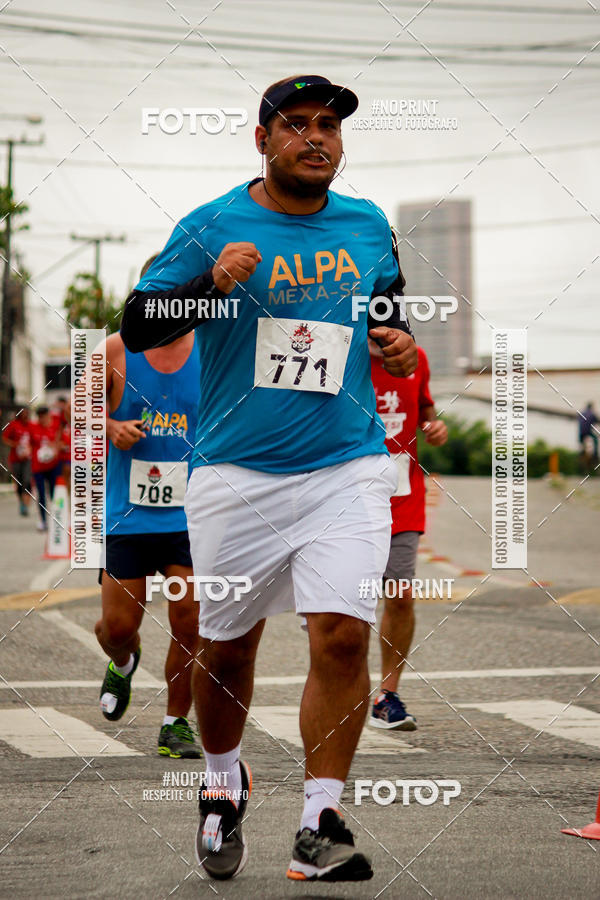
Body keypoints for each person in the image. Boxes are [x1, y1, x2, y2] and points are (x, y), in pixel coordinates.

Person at [120, 75, 417, 883]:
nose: (316, 137)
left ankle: (320, 822)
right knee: (227, 649)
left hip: (346, 466)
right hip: (235, 473)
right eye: (297, 124)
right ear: (262, 140)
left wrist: (397, 344)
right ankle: (222, 786)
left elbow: (387, 312)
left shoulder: (368, 225)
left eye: (330, 126)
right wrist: (209, 285)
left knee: (344, 634)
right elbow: (138, 324)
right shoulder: (210, 225)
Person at [94, 255, 202, 760]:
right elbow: (79, 412)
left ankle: (175, 722)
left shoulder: (211, 349)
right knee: (118, 629)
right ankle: (123, 662)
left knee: (190, 621)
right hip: (129, 514)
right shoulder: (114, 350)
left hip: (191, 514)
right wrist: (111, 426)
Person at [369, 344, 447, 731]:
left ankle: (387, 695)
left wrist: (435, 427)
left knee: (400, 595)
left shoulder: (416, 356)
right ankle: (339, 688)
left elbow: (426, 411)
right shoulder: (340, 350)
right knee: (342, 607)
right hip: (345, 495)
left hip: (403, 497)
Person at [30, 406, 61, 531]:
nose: (41, 419)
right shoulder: (33, 427)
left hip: (53, 466)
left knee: (54, 493)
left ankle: (57, 519)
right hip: (38, 467)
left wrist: (55, 447)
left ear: (48, 415)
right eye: (39, 417)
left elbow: (62, 442)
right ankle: (43, 520)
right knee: (41, 494)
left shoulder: (56, 425)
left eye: (44, 416)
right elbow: (29, 443)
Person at [2, 406, 32, 516]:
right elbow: (4, 438)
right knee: (19, 482)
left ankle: (26, 505)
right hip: (15, 459)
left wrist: (30, 448)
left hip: (28, 459)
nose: (25, 415)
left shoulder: (31, 425)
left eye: (26, 413)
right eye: (23, 413)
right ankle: (21, 502)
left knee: (27, 480)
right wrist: (15, 444)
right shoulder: (13, 425)